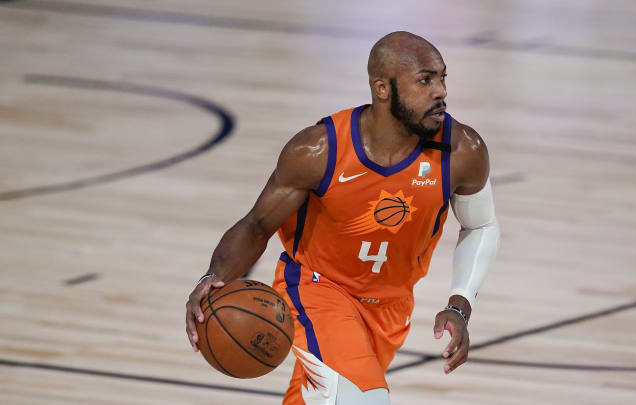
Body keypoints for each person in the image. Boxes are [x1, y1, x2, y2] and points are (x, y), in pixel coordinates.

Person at [185, 31, 500, 405]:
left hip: (390, 307)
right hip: (317, 290)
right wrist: (213, 277)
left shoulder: (463, 151)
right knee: (363, 400)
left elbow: (481, 225)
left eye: (442, 77)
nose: (440, 91)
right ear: (382, 88)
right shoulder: (318, 150)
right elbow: (257, 224)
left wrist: (458, 304)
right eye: (425, 80)